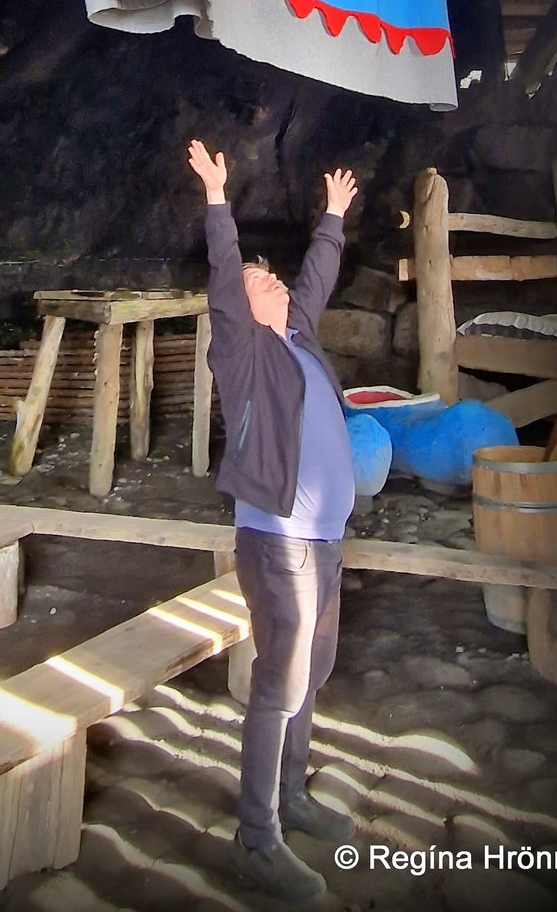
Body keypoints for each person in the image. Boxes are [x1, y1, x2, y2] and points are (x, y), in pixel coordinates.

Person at [187, 137, 359, 904]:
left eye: (276, 280)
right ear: (245, 308)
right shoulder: (243, 352)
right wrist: (218, 201)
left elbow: (316, 277)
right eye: (267, 282)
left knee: (309, 676)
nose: (278, 285)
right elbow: (227, 281)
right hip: (277, 540)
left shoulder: (296, 341)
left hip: (324, 542)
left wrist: (332, 217)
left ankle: (291, 796)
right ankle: (255, 838)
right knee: (278, 682)